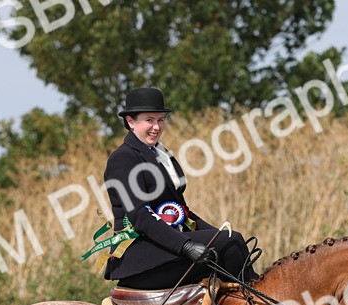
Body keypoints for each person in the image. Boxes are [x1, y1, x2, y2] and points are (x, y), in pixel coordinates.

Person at [100, 87, 257, 289]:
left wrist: (216, 233)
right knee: (231, 241)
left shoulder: (162, 155)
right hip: (139, 253)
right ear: (131, 122)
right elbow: (140, 216)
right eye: (149, 120)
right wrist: (185, 246)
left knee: (231, 239)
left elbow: (181, 211)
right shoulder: (123, 158)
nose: (156, 127)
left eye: (161, 120)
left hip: (167, 244)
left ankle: (251, 294)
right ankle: (256, 297)